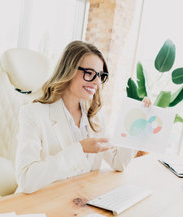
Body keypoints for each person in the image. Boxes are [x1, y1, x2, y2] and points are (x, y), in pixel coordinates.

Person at [15, 40, 149, 193]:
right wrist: (80, 149)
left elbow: (119, 162)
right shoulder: (33, 114)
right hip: (41, 203)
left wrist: (136, 120)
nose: (97, 82)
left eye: (100, 75)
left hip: (77, 201)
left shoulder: (95, 116)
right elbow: (26, 179)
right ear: (68, 71)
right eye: (89, 73)